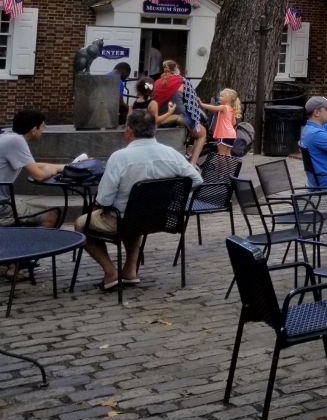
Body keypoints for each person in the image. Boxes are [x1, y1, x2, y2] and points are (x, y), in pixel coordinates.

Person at [73, 108, 202, 290]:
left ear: (129, 131)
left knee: (81, 224)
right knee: (135, 214)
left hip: (124, 220)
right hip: (160, 218)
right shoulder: (172, 154)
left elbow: (104, 199)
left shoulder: (120, 158)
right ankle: (130, 271)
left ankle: (111, 273)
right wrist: (174, 196)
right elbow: (197, 179)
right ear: (154, 130)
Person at [0, 110, 65, 228]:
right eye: (43, 126)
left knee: (44, 209)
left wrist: (68, 167)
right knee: (51, 217)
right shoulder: (17, 141)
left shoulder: (7, 137)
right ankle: (30, 245)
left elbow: (32, 165)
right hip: (2, 206)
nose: (43, 129)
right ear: (34, 130)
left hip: (4, 202)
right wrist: (51, 171)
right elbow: (38, 175)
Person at [200, 88, 241, 156]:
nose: (219, 98)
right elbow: (233, 123)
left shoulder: (223, 107)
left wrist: (201, 104)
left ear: (228, 99)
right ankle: (231, 167)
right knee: (228, 154)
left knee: (221, 154)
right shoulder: (232, 109)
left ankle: (221, 167)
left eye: (222, 96)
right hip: (232, 134)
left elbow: (213, 108)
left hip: (224, 134)